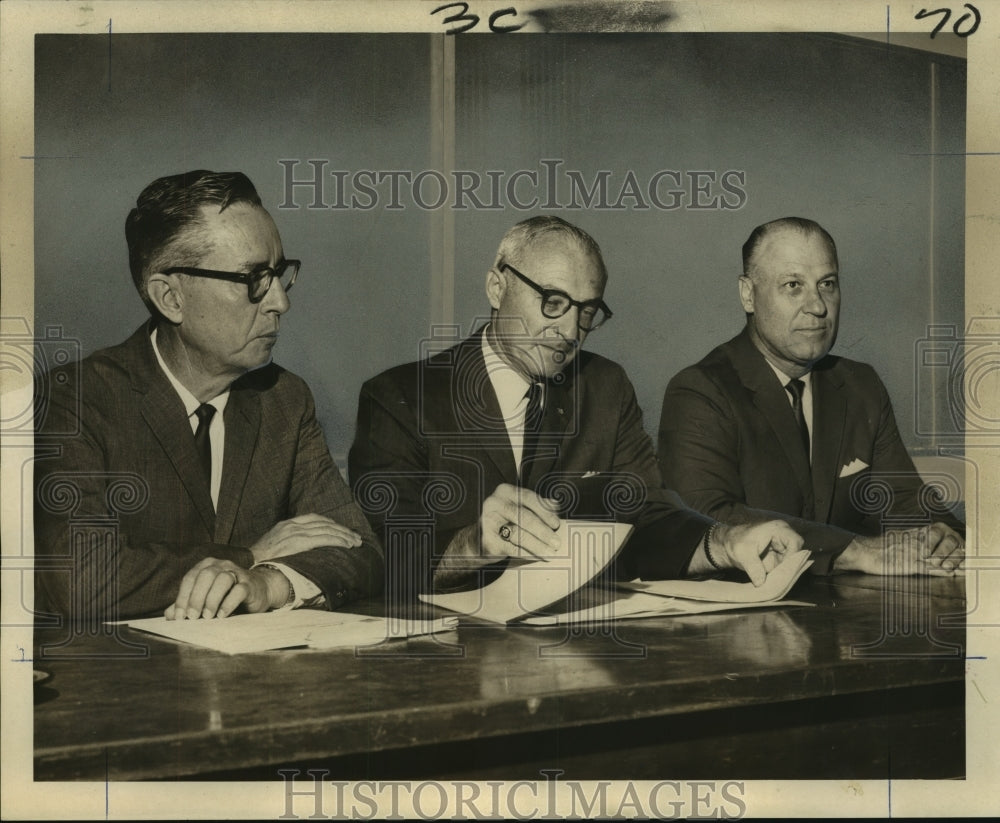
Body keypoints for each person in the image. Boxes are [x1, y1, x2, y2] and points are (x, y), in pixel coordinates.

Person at [349, 215, 801, 597]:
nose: (568, 331)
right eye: (552, 302)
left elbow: (647, 515)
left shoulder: (604, 387)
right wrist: (475, 545)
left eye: (586, 312)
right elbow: (385, 557)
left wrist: (723, 543)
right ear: (495, 286)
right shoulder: (399, 398)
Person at [34, 170, 383, 622]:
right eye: (254, 278)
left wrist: (268, 583)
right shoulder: (75, 401)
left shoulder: (283, 399)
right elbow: (81, 579)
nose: (280, 301)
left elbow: (362, 550)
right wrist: (248, 555)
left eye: (279, 274)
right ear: (171, 298)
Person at [657, 216, 965, 576]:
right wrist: (855, 551)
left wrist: (945, 540)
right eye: (793, 285)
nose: (817, 306)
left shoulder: (860, 385)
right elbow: (708, 517)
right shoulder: (700, 391)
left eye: (827, 284)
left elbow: (911, 507)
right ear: (748, 294)